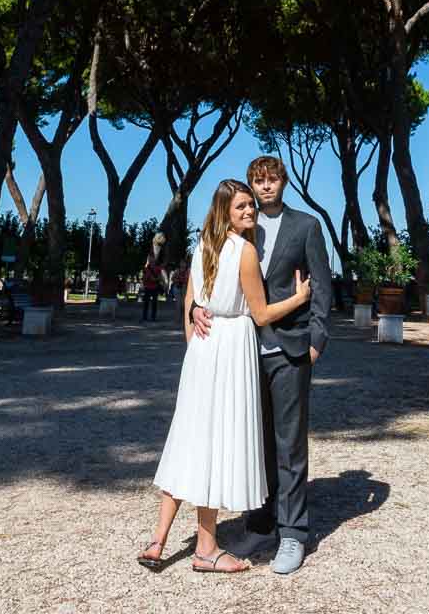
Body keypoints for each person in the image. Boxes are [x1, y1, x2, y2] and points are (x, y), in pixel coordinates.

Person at [137, 179, 311, 575]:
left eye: (251, 206)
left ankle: (159, 540)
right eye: (241, 208)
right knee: (214, 447)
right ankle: (207, 549)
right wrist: (299, 299)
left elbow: (189, 303)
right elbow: (262, 313)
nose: (249, 212)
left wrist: (194, 349)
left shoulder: (202, 248)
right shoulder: (245, 251)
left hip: (202, 350)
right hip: (230, 345)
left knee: (189, 440)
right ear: (225, 213)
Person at [193, 155, 332, 576]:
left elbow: (322, 287)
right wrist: (194, 311)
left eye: (272, 180)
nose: (266, 187)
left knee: (289, 446)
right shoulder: (239, 229)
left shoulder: (306, 226)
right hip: (242, 355)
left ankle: (293, 533)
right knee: (256, 443)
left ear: (284, 182)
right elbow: (210, 281)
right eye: (259, 181)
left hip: (289, 351)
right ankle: (262, 520)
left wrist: (316, 344)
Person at [140, 252, 164, 323]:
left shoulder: (158, 268)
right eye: (149, 258)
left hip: (155, 287)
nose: (151, 259)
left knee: (154, 303)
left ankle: (153, 317)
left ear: (154, 259)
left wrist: (155, 279)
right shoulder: (145, 268)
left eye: (152, 258)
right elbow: (143, 278)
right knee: (146, 303)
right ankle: (144, 317)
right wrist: (147, 279)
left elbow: (160, 277)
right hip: (147, 287)